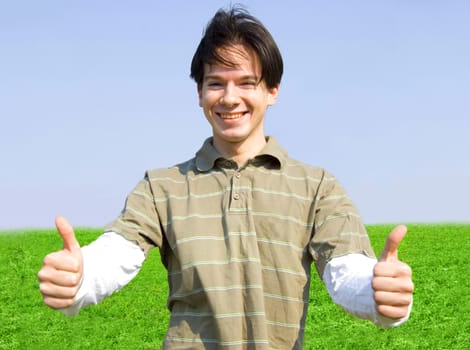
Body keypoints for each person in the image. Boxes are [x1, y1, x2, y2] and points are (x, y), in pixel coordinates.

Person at [38, 6, 414, 349]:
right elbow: (117, 254)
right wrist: (81, 278)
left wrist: (377, 291)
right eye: (216, 83)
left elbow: (345, 270)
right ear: (199, 93)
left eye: (247, 83)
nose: (229, 98)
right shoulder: (162, 186)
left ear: (272, 92)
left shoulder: (316, 186)